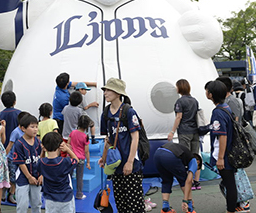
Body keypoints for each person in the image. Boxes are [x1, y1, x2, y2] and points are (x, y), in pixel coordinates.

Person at [98, 78, 145, 213]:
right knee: (121, 205)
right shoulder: (105, 113)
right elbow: (108, 139)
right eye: (105, 90)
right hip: (115, 166)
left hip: (132, 166)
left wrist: (130, 162)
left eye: (108, 90)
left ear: (118, 93)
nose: (105, 93)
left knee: (135, 206)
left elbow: (135, 137)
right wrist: (104, 158)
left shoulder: (129, 112)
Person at [205, 80, 237, 213]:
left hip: (225, 154)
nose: (206, 93)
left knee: (230, 185)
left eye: (207, 91)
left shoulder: (217, 112)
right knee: (230, 184)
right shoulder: (226, 107)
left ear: (211, 95)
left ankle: (231, 210)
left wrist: (220, 158)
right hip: (231, 151)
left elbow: (222, 135)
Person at [167, 78, 201, 190]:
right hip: (195, 131)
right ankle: (196, 181)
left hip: (184, 132)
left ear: (180, 88)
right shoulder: (194, 100)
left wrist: (172, 132)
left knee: (186, 158)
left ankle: (188, 181)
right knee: (196, 156)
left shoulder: (180, 102)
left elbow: (179, 117)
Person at [153, 142, 201, 213]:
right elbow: (188, 181)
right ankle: (190, 208)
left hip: (157, 154)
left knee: (166, 180)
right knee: (184, 181)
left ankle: (165, 208)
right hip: (170, 155)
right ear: (198, 162)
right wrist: (186, 200)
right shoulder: (193, 161)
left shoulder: (185, 154)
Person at [37, 132, 78, 213]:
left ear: (44, 147)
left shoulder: (42, 162)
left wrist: (42, 151)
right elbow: (76, 160)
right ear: (60, 146)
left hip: (50, 199)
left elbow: (40, 161)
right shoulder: (64, 162)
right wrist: (67, 149)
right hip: (65, 198)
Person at [13, 114, 43, 213]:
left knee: (37, 203)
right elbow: (21, 163)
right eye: (32, 127)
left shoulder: (37, 142)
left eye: (36, 126)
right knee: (22, 205)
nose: (35, 129)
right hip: (23, 178)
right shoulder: (19, 143)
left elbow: (41, 158)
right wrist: (29, 177)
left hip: (36, 178)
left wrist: (41, 175)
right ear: (23, 128)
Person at [5, 111, 29, 205]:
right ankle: (10, 194)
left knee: (17, 177)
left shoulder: (24, 132)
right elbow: (9, 146)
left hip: (20, 158)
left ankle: (11, 192)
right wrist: (5, 157)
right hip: (12, 158)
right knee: (13, 178)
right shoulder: (16, 132)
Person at [68, 114, 92, 199]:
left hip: (71, 158)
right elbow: (86, 151)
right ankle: (79, 194)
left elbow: (68, 144)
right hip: (80, 159)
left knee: (69, 176)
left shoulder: (73, 132)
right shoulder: (85, 137)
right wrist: (88, 162)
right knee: (79, 177)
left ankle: (68, 193)